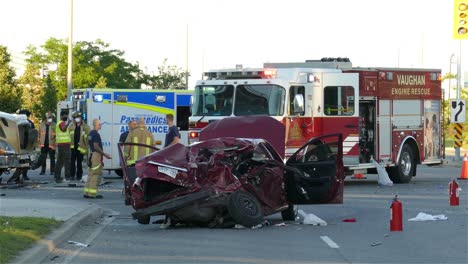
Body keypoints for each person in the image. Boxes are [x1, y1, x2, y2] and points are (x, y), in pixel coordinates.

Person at [84, 118, 111, 199]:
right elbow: (96, 146)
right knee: (95, 174)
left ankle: (87, 192)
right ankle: (92, 194)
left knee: (90, 174)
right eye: (99, 124)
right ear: (96, 125)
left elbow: (89, 144)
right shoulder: (96, 134)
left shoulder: (90, 134)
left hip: (92, 154)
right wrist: (104, 154)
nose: (100, 125)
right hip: (96, 155)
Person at [68, 112, 90, 181]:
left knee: (79, 162)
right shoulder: (71, 126)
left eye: (79, 117)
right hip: (72, 147)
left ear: (81, 118)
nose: (77, 119)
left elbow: (88, 137)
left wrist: (86, 146)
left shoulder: (85, 127)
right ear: (74, 119)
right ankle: (72, 175)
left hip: (81, 147)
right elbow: (68, 135)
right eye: (76, 118)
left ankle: (79, 175)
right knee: (72, 162)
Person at [18, 109, 35, 180]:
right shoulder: (30, 123)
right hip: (25, 145)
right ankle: (23, 175)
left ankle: (20, 176)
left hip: (21, 145)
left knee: (22, 161)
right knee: (25, 161)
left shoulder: (16, 123)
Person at [55, 110, 71, 183]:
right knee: (66, 161)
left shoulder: (61, 123)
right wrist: (68, 123)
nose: (66, 117)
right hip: (64, 145)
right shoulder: (61, 123)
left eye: (67, 115)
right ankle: (67, 177)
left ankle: (57, 177)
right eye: (65, 115)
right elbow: (64, 130)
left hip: (61, 145)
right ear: (61, 116)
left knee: (60, 161)